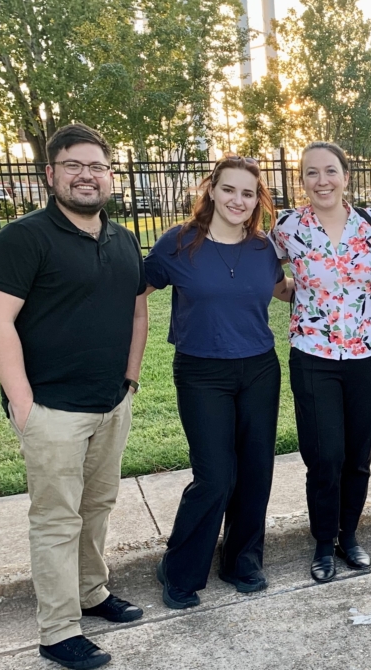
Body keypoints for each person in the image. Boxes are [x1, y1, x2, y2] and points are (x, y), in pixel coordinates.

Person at [0, 124, 147, 670]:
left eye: (96, 166)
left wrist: (130, 378)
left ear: (110, 175)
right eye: (73, 165)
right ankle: (57, 629)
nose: (86, 175)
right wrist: (22, 404)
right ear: (50, 174)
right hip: (51, 410)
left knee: (97, 506)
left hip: (110, 402)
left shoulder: (122, 238)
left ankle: (91, 592)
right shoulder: (23, 238)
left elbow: (136, 310)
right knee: (55, 519)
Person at [143, 156, 293, 608]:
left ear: (257, 200)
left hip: (260, 369)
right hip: (201, 371)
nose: (238, 200)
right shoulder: (179, 243)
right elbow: (134, 291)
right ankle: (180, 567)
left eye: (248, 193)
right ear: (212, 190)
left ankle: (241, 559)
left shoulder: (263, 247)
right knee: (214, 476)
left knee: (254, 471)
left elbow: (285, 289)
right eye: (229, 189)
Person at [269, 141, 371, 583]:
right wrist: (287, 288)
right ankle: (324, 542)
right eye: (311, 173)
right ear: (301, 180)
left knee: (358, 456)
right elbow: (260, 266)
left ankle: (350, 536)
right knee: (325, 455)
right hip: (313, 354)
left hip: (369, 352)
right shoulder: (287, 227)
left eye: (330, 171)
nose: (321, 181)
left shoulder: (369, 222)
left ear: (346, 175)